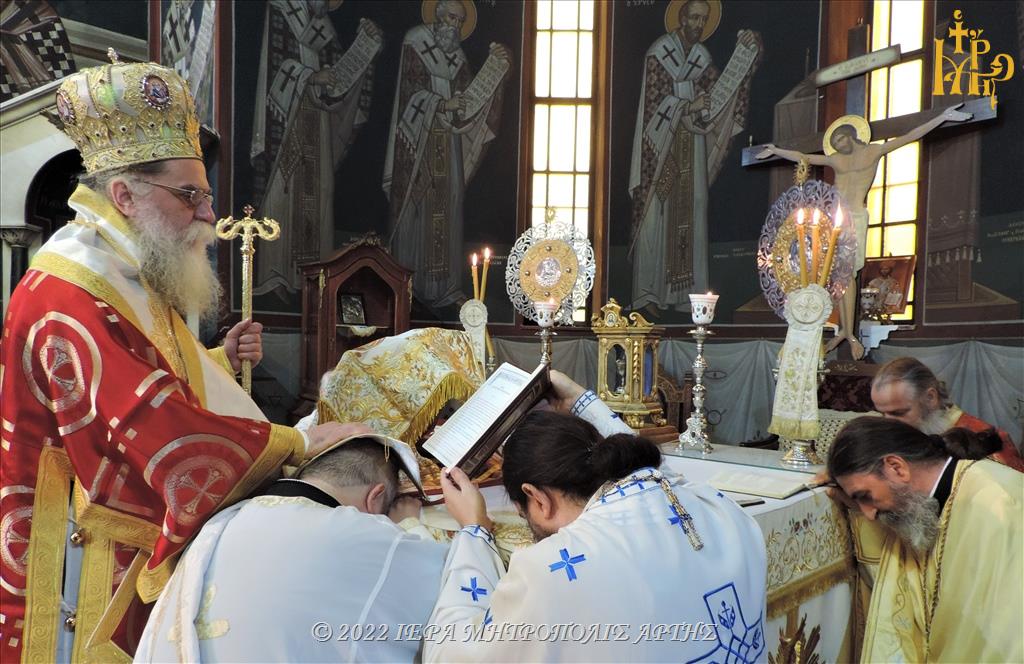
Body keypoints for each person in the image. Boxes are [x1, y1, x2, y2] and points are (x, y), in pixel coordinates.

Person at [0, 55, 358, 661]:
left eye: (205, 196)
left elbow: (143, 373)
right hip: (76, 549)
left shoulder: (118, 265)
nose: (209, 215)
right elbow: (151, 422)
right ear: (124, 195)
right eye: (190, 195)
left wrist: (217, 359)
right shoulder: (68, 291)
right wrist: (297, 443)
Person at [425, 380, 768, 662]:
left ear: (537, 499)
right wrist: (581, 400)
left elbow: (453, 652)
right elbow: (654, 470)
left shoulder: (550, 571)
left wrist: (474, 531)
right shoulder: (717, 509)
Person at [134, 433, 448, 663]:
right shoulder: (361, 533)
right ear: (375, 498)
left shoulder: (223, 521)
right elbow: (453, 586)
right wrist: (410, 524)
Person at [757, 104, 972, 358]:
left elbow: (909, 136)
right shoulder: (836, 159)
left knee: (848, 274)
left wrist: (942, 117)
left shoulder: (874, 151)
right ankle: (844, 330)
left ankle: (848, 332)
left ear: (852, 136)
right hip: (833, 218)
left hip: (856, 217)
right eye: (835, 142)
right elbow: (803, 157)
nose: (839, 145)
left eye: (841, 139)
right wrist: (775, 150)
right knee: (836, 275)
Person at [826, 417, 1023, 662]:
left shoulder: (1001, 505)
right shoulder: (921, 510)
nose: (869, 514)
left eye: (865, 496)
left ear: (896, 467)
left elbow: (1011, 636)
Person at [629, 0, 760, 311]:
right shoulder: (660, 52)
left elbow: (721, 94)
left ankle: (686, 298)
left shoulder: (702, 57)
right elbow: (653, 103)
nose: (700, 24)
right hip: (660, 148)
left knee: (694, 205)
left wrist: (748, 52)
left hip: (693, 145)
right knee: (656, 214)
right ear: (682, 18)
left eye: (704, 19)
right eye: (695, 18)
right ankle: (649, 294)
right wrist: (688, 106)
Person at [250, 3, 383, 300]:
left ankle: (313, 282)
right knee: (281, 191)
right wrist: (310, 77)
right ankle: (275, 275)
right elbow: (273, 66)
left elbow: (339, 81)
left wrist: (366, 48)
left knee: (319, 192)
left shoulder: (324, 26)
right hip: (285, 123)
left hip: (317, 124)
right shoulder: (282, 9)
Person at [384, 0, 511, 310]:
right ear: (437, 17)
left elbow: (470, 104)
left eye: (460, 21)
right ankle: (406, 287)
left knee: (448, 207)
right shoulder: (416, 41)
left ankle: (445, 288)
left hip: (447, 145)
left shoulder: (458, 57)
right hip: (416, 144)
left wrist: (496, 71)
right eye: (451, 18)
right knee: (415, 210)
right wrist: (442, 104)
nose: (455, 26)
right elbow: (409, 93)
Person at [870, 356, 1024, 472]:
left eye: (898, 413)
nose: (888, 423)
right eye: (882, 414)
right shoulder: (891, 437)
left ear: (930, 398)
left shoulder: (984, 442)